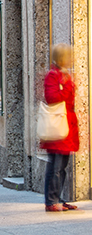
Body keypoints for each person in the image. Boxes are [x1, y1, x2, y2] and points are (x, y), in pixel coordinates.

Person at [42, 43, 80, 212]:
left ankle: (58, 197)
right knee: (55, 166)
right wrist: (67, 86)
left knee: (62, 166)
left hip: (66, 125)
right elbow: (52, 97)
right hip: (58, 125)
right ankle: (51, 201)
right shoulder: (53, 75)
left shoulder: (64, 75)